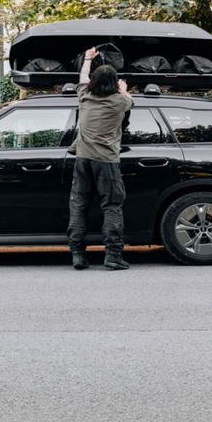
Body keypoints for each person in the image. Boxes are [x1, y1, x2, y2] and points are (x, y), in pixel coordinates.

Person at [67, 47, 133, 270]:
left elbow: (83, 77)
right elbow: (129, 100)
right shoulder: (120, 102)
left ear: (94, 81)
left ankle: (77, 254)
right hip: (106, 161)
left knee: (78, 205)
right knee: (112, 206)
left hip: (83, 158)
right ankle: (113, 255)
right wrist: (123, 89)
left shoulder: (85, 97)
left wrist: (87, 58)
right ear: (115, 83)